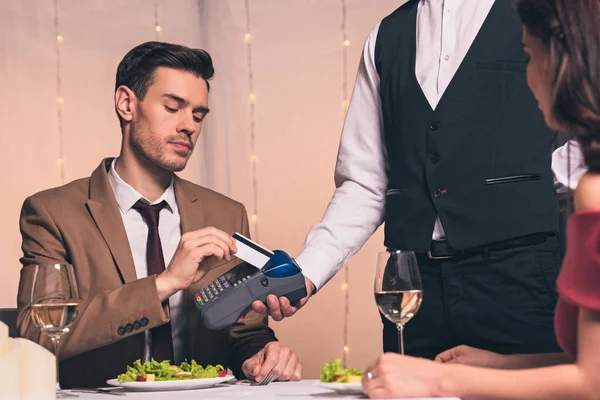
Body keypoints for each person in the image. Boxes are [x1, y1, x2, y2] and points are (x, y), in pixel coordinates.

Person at [252, 0, 587, 360]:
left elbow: (589, 130)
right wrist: (309, 270)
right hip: (412, 288)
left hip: (520, 277)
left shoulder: (542, 11)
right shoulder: (385, 36)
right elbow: (365, 181)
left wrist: (530, 180)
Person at [16, 41, 301, 388]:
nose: (189, 126)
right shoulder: (53, 212)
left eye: (198, 115)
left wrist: (261, 353)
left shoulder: (226, 213)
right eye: (172, 107)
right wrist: (164, 283)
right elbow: (37, 336)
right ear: (126, 104)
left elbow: (243, 332)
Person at [361, 0, 600, 398]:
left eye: (527, 56)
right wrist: (503, 365)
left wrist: (436, 380)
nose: (523, 76)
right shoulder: (589, 187)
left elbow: (594, 384)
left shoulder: (594, 191)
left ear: (561, 60)